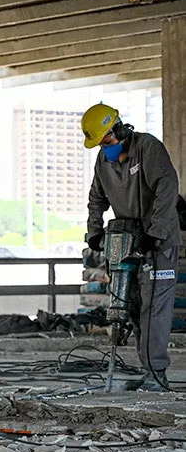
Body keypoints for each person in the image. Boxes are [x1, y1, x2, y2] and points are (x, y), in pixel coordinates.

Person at [81, 103, 180, 391]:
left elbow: (167, 186)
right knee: (132, 306)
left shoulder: (147, 148)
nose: (105, 147)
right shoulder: (103, 161)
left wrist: (156, 231)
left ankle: (157, 373)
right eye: (100, 144)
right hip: (127, 240)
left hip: (158, 244)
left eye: (107, 140)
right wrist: (94, 232)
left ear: (120, 130)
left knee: (154, 308)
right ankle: (148, 369)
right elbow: (96, 198)